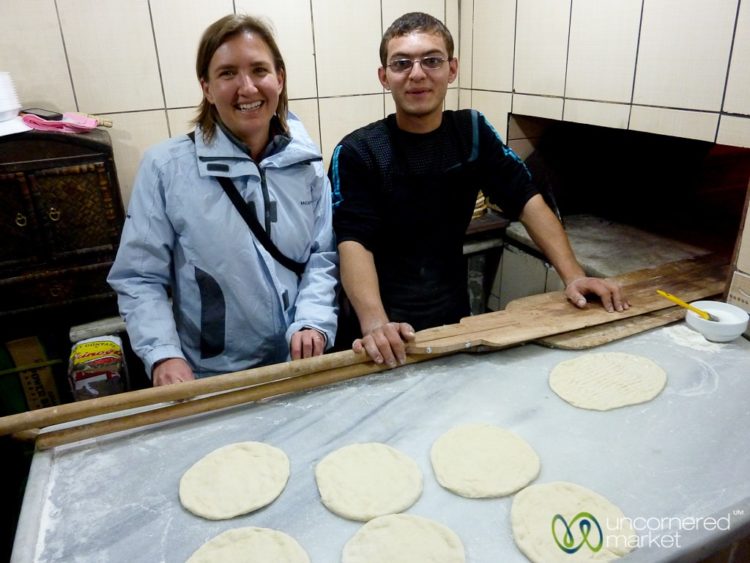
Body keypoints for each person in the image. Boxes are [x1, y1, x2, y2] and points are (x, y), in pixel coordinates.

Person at [329, 12, 627, 368]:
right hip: (380, 329)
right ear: (384, 76)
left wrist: (574, 275)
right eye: (402, 63)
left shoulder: (471, 133)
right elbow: (353, 240)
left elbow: (527, 198)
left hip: (453, 317)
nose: (417, 74)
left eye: (432, 60)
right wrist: (375, 323)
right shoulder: (359, 151)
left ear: (452, 69)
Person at [108, 14, 338, 386]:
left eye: (259, 70)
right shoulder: (167, 169)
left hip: (298, 363)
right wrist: (163, 354)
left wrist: (312, 320)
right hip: (215, 372)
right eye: (228, 73)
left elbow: (322, 255)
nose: (247, 88)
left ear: (279, 78)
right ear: (207, 88)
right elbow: (139, 277)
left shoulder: (306, 164)